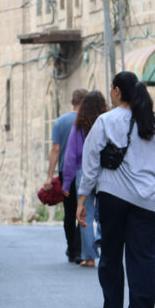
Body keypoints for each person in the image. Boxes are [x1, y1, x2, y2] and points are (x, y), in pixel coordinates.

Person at [77, 71, 155, 308]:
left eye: (112, 88)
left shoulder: (105, 121)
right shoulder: (154, 123)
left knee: (110, 255)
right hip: (146, 201)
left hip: (112, 197)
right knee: (144, 258)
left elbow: (90, 164)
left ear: (117, 91)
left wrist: (82, 198)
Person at [62, 91, 109, 267]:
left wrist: (67, 183)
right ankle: (106, 249)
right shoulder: (107, 123)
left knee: (84, 215)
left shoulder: (79, 125)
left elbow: (70, 157)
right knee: (105, 213)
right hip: (105, 171)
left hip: (84, 171)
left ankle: (89, 257)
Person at [45, 88, 86, 263]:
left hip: (65, 173)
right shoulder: (89, 121)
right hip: (85, 172)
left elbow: (55, 150)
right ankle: (78, 247)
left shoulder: (61, 122)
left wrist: (49, 176)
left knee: (69, 212)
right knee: (83, 210)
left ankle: (72, 247)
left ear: (72, 102)